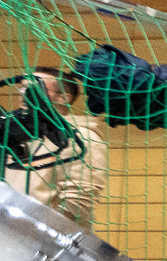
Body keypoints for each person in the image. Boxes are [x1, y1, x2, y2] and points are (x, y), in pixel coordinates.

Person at [30, 67, 110, 228]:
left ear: (63, 98)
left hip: (42, 243)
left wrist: (39, 235)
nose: (24, 93)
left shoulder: (82, 137)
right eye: (23, 87)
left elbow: (78, 201)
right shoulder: (19, 137)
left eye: (34, 87)